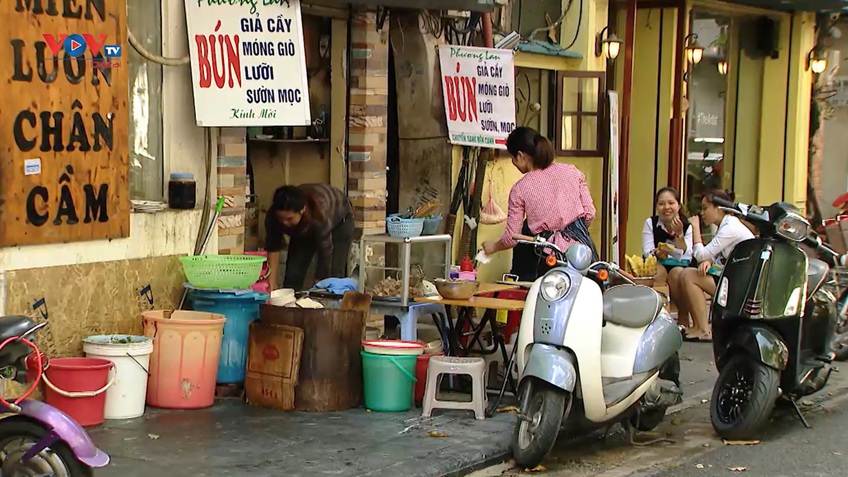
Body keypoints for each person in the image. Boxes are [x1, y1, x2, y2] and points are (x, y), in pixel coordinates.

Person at [481, 127, 597, 281]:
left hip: (551, 259)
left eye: (513, 157)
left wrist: (493, 247)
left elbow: (512, 237)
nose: (513, 162)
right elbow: (589, 213)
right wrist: (573, 234)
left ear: (521, 156)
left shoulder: (519, 189)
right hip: (583, 255)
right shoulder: (572, 172)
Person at [679, 189, 754, 342]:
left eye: (705, 208)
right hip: (735, 279)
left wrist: (695, 228)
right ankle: (699, 326)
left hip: (742, 287)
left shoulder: (730, 228)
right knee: (687, 274)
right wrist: (709, 261)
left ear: (718, 208)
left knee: (688, 275)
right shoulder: (724, 225)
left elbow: (700, 254)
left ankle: (703, 329)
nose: (702, 213)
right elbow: (715, 253)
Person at [265, 183, 354, 291]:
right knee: (293, 275)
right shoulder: (273, 216)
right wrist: (271, 282)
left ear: (302, 210)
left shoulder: (319, 214)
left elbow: (326, 253)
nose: (284, 223)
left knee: (333, 275)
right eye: (281, 218)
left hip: (340, 221)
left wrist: (320, 281)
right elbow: (273, 247)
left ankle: (331, 304)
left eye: (289, 219)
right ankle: (291, 304)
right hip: (303, 227)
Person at [641, 187, 693, 329]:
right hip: (658, 262)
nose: (666, 207)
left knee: (677, 274)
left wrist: (679, 234)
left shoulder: (687, 226)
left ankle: (683, 318)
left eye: (671, 203)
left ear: (678, 206)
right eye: (662, 204)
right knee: (658, 272)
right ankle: (660, 318)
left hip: (680, 265)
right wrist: (657, 252)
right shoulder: (650, 223)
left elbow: (687, 254)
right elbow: (647, 251)